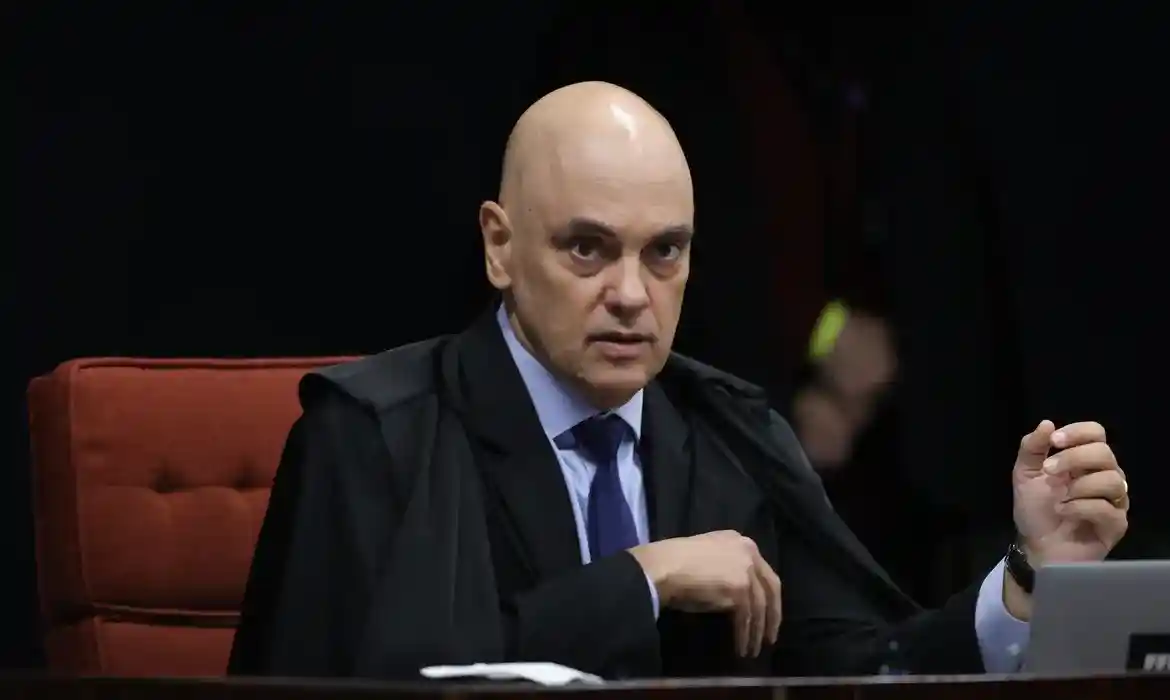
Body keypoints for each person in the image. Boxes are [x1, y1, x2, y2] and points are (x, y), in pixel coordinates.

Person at [228, 82, 1130, 680]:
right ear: (500, 247)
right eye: (588, 249)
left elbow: (866, 671)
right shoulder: (374, 434)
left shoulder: (733, 435)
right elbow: (390, 678)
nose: (631, 294)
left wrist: (1031, 577)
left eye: (664, 252)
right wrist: (643, 580)